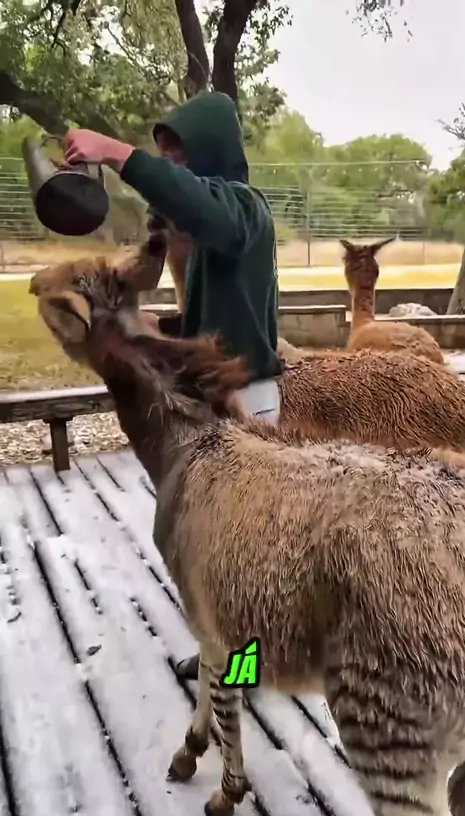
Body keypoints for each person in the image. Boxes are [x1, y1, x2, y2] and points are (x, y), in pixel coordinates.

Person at [63, 90, 284, 680]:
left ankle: (247, 667)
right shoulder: (215, 234)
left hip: (248, 402)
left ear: (212, 148)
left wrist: (116, 153)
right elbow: (224, 315)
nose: (173, 166)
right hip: (215, 397)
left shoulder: (244, 209)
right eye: (166, 157)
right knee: (210, 544)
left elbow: (207, 210)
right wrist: (172, 329)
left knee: (245, 553)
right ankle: (224, 655)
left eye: (179, 154)